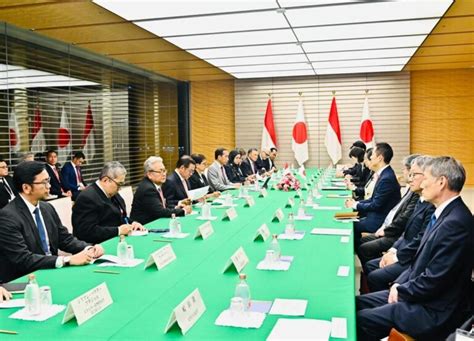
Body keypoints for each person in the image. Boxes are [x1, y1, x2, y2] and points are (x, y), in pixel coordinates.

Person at [356, 156, 473, 340]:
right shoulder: (443, 212)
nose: (421, 183)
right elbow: (417, 263)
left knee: (361, 319)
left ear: (441, 182)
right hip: (417, 292)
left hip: (432, 309)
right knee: (355, 304)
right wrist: (398, 284)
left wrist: (401, 290)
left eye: (425, 178)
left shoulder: (456, 223)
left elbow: (435, 279)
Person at [0, 161, 103, 283]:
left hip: (53, 271)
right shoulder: (7, 217)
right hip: (26, 280)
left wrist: (88, 248)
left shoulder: (46, 208)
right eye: (44, 182)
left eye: (48, 180)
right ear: (26, 188)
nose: (49, 186)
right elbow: (23, 259)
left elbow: (65, 239)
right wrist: (66, 260)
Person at [364, 158, 436, 292]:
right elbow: (406, 231)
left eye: (414, 175)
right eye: (410, 174)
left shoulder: (431, 205)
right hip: (402, 245)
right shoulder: (421, 200)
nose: (409, 179)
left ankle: (383, 300)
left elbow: (420, 240)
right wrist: (393, 251)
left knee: (374, 273)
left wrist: (396, 256)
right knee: (371, 265)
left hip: (412, 259)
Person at [356, 154, 421, 265]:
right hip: (388, 225)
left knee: (363, 247)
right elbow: (396, 211)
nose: (403, 172)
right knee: (362, 243)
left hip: (395, 233)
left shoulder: (416, 193)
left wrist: (386, 230)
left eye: (404, 169)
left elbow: (405, 218)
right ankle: (375, 265)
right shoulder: (409, 189)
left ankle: (374, 269)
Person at [72, 161, 144, 244]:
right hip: (96, 247)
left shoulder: (112, 193)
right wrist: (118, 230)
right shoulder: (87, 197)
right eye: (119, 184)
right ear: (106, 180)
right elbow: (86, 232)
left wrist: (132, 223)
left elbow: (119, 215)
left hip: (116, 241)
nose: (120, 188)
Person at [345, 143, 401, 248]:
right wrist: (356, 203)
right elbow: (372, 199)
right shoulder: (384, 174)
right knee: (350, 221)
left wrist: (355, 205)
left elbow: (376, 205)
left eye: (372, 155)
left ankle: (361, 251)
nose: (370, 157)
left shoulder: (386, 178)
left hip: (379, 219)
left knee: (351, 225)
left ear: (380, 158)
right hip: (375, 215)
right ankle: (360, 249)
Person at [130, 156, 191, 225]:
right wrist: (183, 211)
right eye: (160, 171)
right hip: (145, 227)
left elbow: (163, 206)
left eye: (164, 170)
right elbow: (160, 211)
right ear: (149, 174)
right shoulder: (148, 189)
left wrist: (176, 207)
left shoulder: (157, 185)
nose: (164, 174)